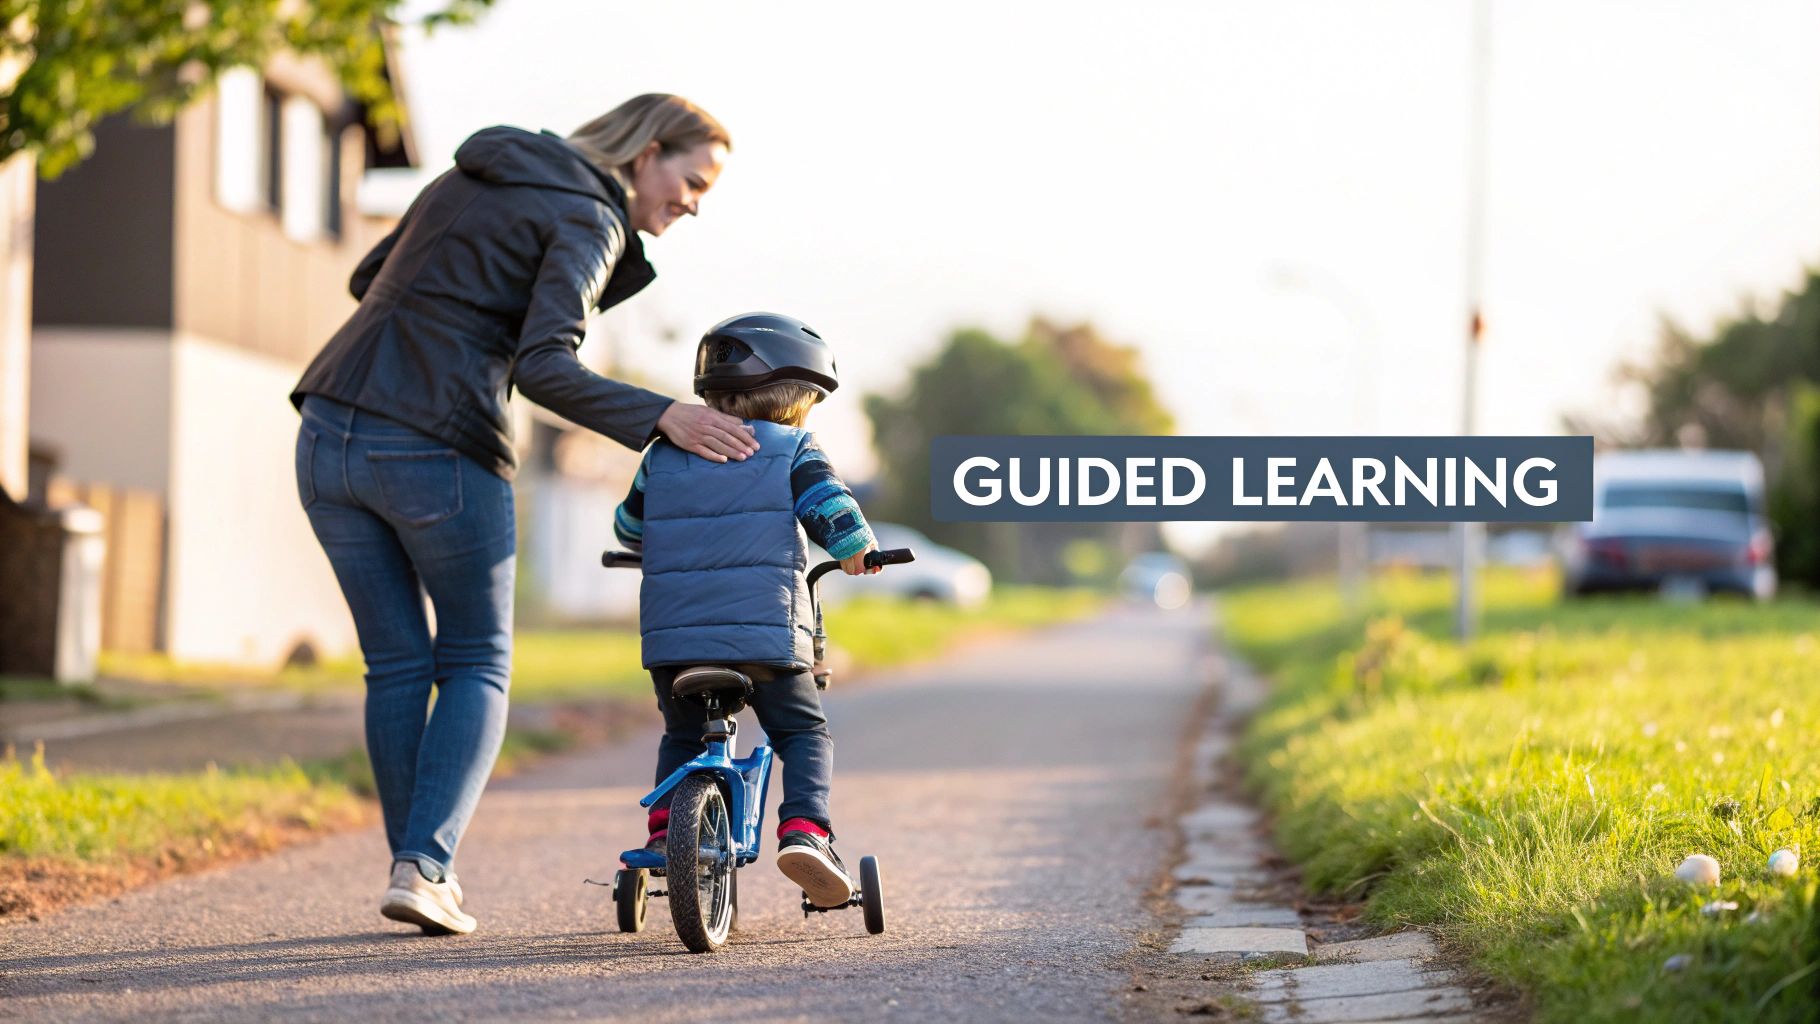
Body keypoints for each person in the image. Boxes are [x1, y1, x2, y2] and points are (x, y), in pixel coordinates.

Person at [291, 94, 753, 936]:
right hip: (437, 443)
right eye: (692, 181)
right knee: (477, 657)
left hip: (327, 431)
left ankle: (420, 870)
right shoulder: (589, 214)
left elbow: (370, 280)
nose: (691, 203)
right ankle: (422, 865)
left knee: (396, 665)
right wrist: (663, 414)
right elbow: (544, 364)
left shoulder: (477, 171)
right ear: (647, 153)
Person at [611, 312, 881, 907]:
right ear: (797, 400)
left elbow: (629, 525)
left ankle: (663, 834)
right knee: (803, 730)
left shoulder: (662, 454)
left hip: (673, 643)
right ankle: (806, 831)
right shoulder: (792, 448)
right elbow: (829, 507)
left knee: (681, 734)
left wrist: (642, 541)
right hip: (766, 641)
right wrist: (858, 551)